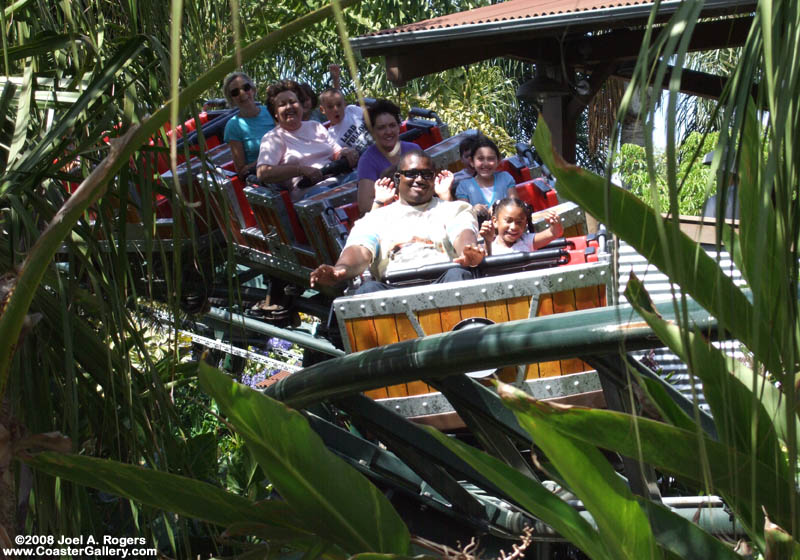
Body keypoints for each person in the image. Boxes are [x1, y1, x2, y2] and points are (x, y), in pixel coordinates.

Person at [310, 151, 485, 293]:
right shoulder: (376, 218)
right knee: (368, 290)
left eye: (426, 174)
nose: (419, 179)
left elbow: (462, 233)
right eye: (411, 174)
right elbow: (360, 249)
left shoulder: (453, 209)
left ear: (434, 179)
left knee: (458, 275)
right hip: (393, 288)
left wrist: (468, 251)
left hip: (443, 281)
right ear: (398, 178)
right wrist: (340, 270)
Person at [256, 80, 358, 201]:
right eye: (282, 104)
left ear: (300, 106)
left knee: (364, 176)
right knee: (328, 196)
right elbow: (263, 173)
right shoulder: (273, 138)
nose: (289, 107)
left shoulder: (315, 126)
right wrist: (300, 170)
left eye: (293, 102)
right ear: (275, 113)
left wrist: (345, 152)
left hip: (339, 179)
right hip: (310, 192)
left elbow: (336, 152)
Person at [356, 99, 419, 215]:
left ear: (398, 127)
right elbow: (365, 207)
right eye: (381, 128)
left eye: (392, 125)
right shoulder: (367, 161)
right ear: (372, 132)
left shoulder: (414, 149)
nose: (388, 131)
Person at [222, 72, 275, 178]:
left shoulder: (272, 111)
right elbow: (241, 171)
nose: (242, 94)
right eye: (235, 92)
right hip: (267, 178)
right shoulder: (234, 126)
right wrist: (267, 159)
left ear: (253, 90)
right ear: (231, 98)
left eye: (246, 88)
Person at [480, 198, 563, 255]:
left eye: (519, 222)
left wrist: (555, 224)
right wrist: (487, 241)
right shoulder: (491, 244)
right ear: (495, 221)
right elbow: (487, 261)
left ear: (525, 224)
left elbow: (554, 233)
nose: (513, 227)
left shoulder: (527, 241)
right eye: (508, 221)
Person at [455, 137, 516, 211]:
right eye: (480, 159)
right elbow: (463, 214)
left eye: (490, 159)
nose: (486, 164)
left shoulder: (505, 178)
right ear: (472, 162)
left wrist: (498, 210)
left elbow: (515, 206)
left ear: (498, 160)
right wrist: (473, 210)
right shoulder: (464, 187)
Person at [319, 88, 372, 154]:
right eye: (330, 107)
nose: (336, 109)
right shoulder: (330, 136)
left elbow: (372, 117)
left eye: (339, 105)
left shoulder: (352, 110)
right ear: (322, 109)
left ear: (344, 104)